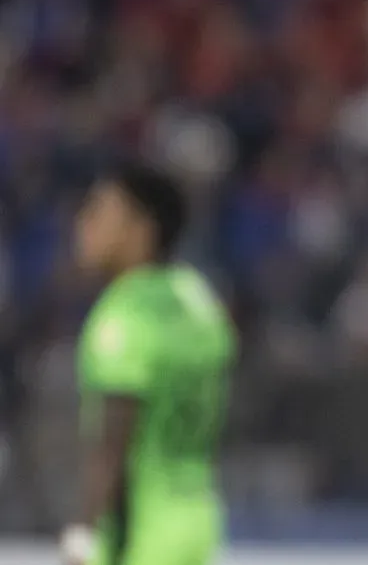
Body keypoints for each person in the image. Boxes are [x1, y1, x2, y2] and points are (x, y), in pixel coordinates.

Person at [61, 162, 236, 565]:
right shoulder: (200, 303)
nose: (84, 226)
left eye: (100, 213)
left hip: (140, 530)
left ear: (141, 228)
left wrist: (82, 534)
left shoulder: (123, 318)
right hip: (197, 518)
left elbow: (113, 443)